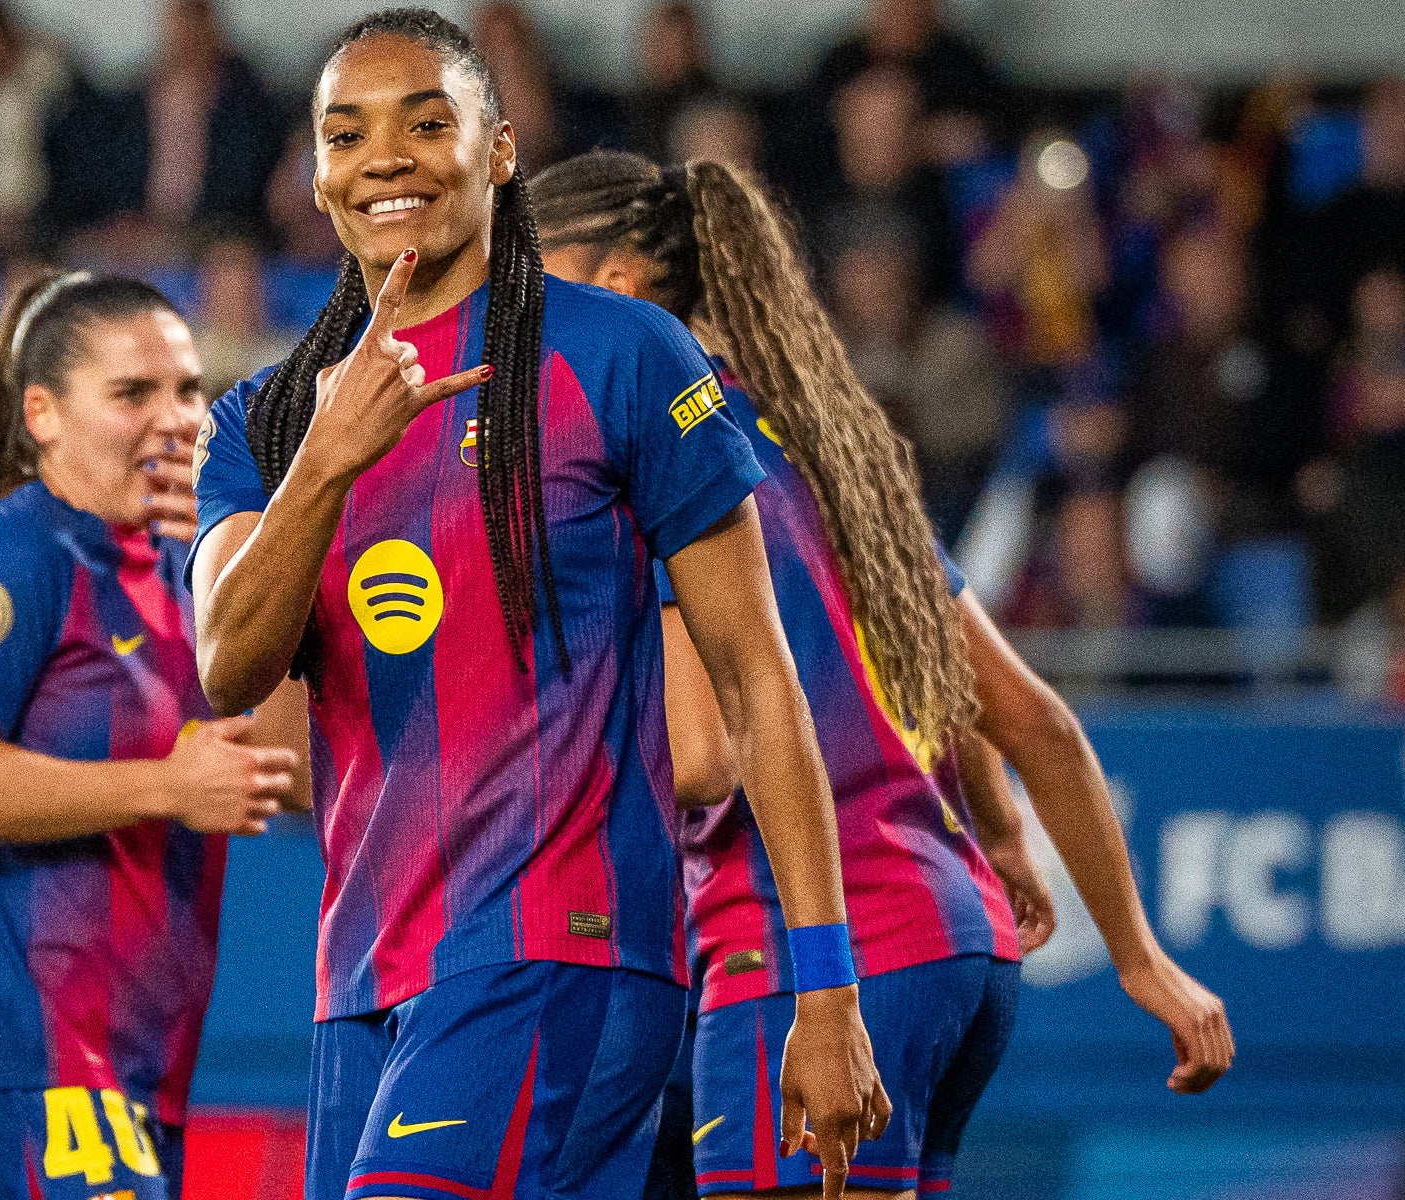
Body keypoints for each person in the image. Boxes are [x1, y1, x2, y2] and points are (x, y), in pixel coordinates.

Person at [187, 12, 885, 1200]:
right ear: (316, 173)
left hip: (565, 950)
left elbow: (758, 680)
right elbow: (230, 668)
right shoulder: (263, 418)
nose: (387, 157)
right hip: (364, 980)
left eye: (427, 122)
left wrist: (828, 991)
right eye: (348, 134)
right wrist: (326, 462)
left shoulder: (623, 358)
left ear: (500, 150)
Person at [528, 147, 1232, 1198]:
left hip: (812, 960)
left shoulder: (644, 453)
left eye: (532, 281)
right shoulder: (818, 449)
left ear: (618, 283)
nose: (516, 319)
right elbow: (1027, 717)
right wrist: (1134, 952)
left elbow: (704, 760)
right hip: (959, 950)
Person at [0, 270, 306, 1199]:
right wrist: (164, 787)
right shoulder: (16, 556)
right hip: (20, 1075)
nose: (176, 417)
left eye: (188, 389)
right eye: (133, 393)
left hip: (141, 1078)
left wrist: (246, 562)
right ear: (43, 414)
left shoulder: (180, 564)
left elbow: (293, 773)